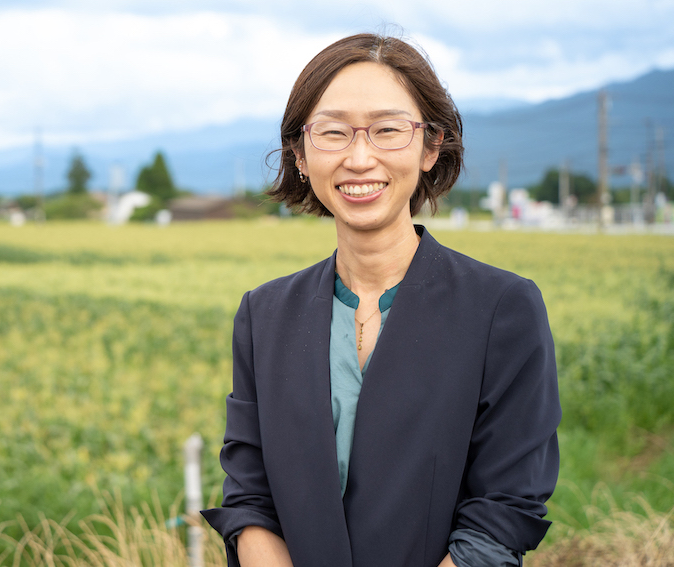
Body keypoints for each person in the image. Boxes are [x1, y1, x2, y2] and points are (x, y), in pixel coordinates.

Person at [201, 33, 561, 567]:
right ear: (300, 155)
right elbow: (250, 500)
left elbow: (502, 512)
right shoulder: (264, 315)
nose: (360, 157)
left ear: (431, 146)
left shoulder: (501, 309)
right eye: (334, 132)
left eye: (388, 130)